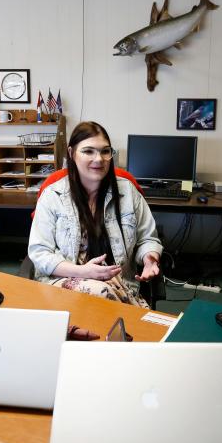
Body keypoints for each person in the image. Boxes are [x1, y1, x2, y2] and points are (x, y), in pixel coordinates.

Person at [28, 122, 162, 307]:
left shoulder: (128, 192)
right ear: (72, 153)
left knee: (105, 297)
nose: (99, 159)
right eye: (88, 151)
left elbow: (148, 239)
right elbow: (40, 253)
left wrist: (149, 259)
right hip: (63, 281)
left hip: (120, 283)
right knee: (100, 292)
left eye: (105, 151)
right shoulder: (53, 195)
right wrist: (84, 272)